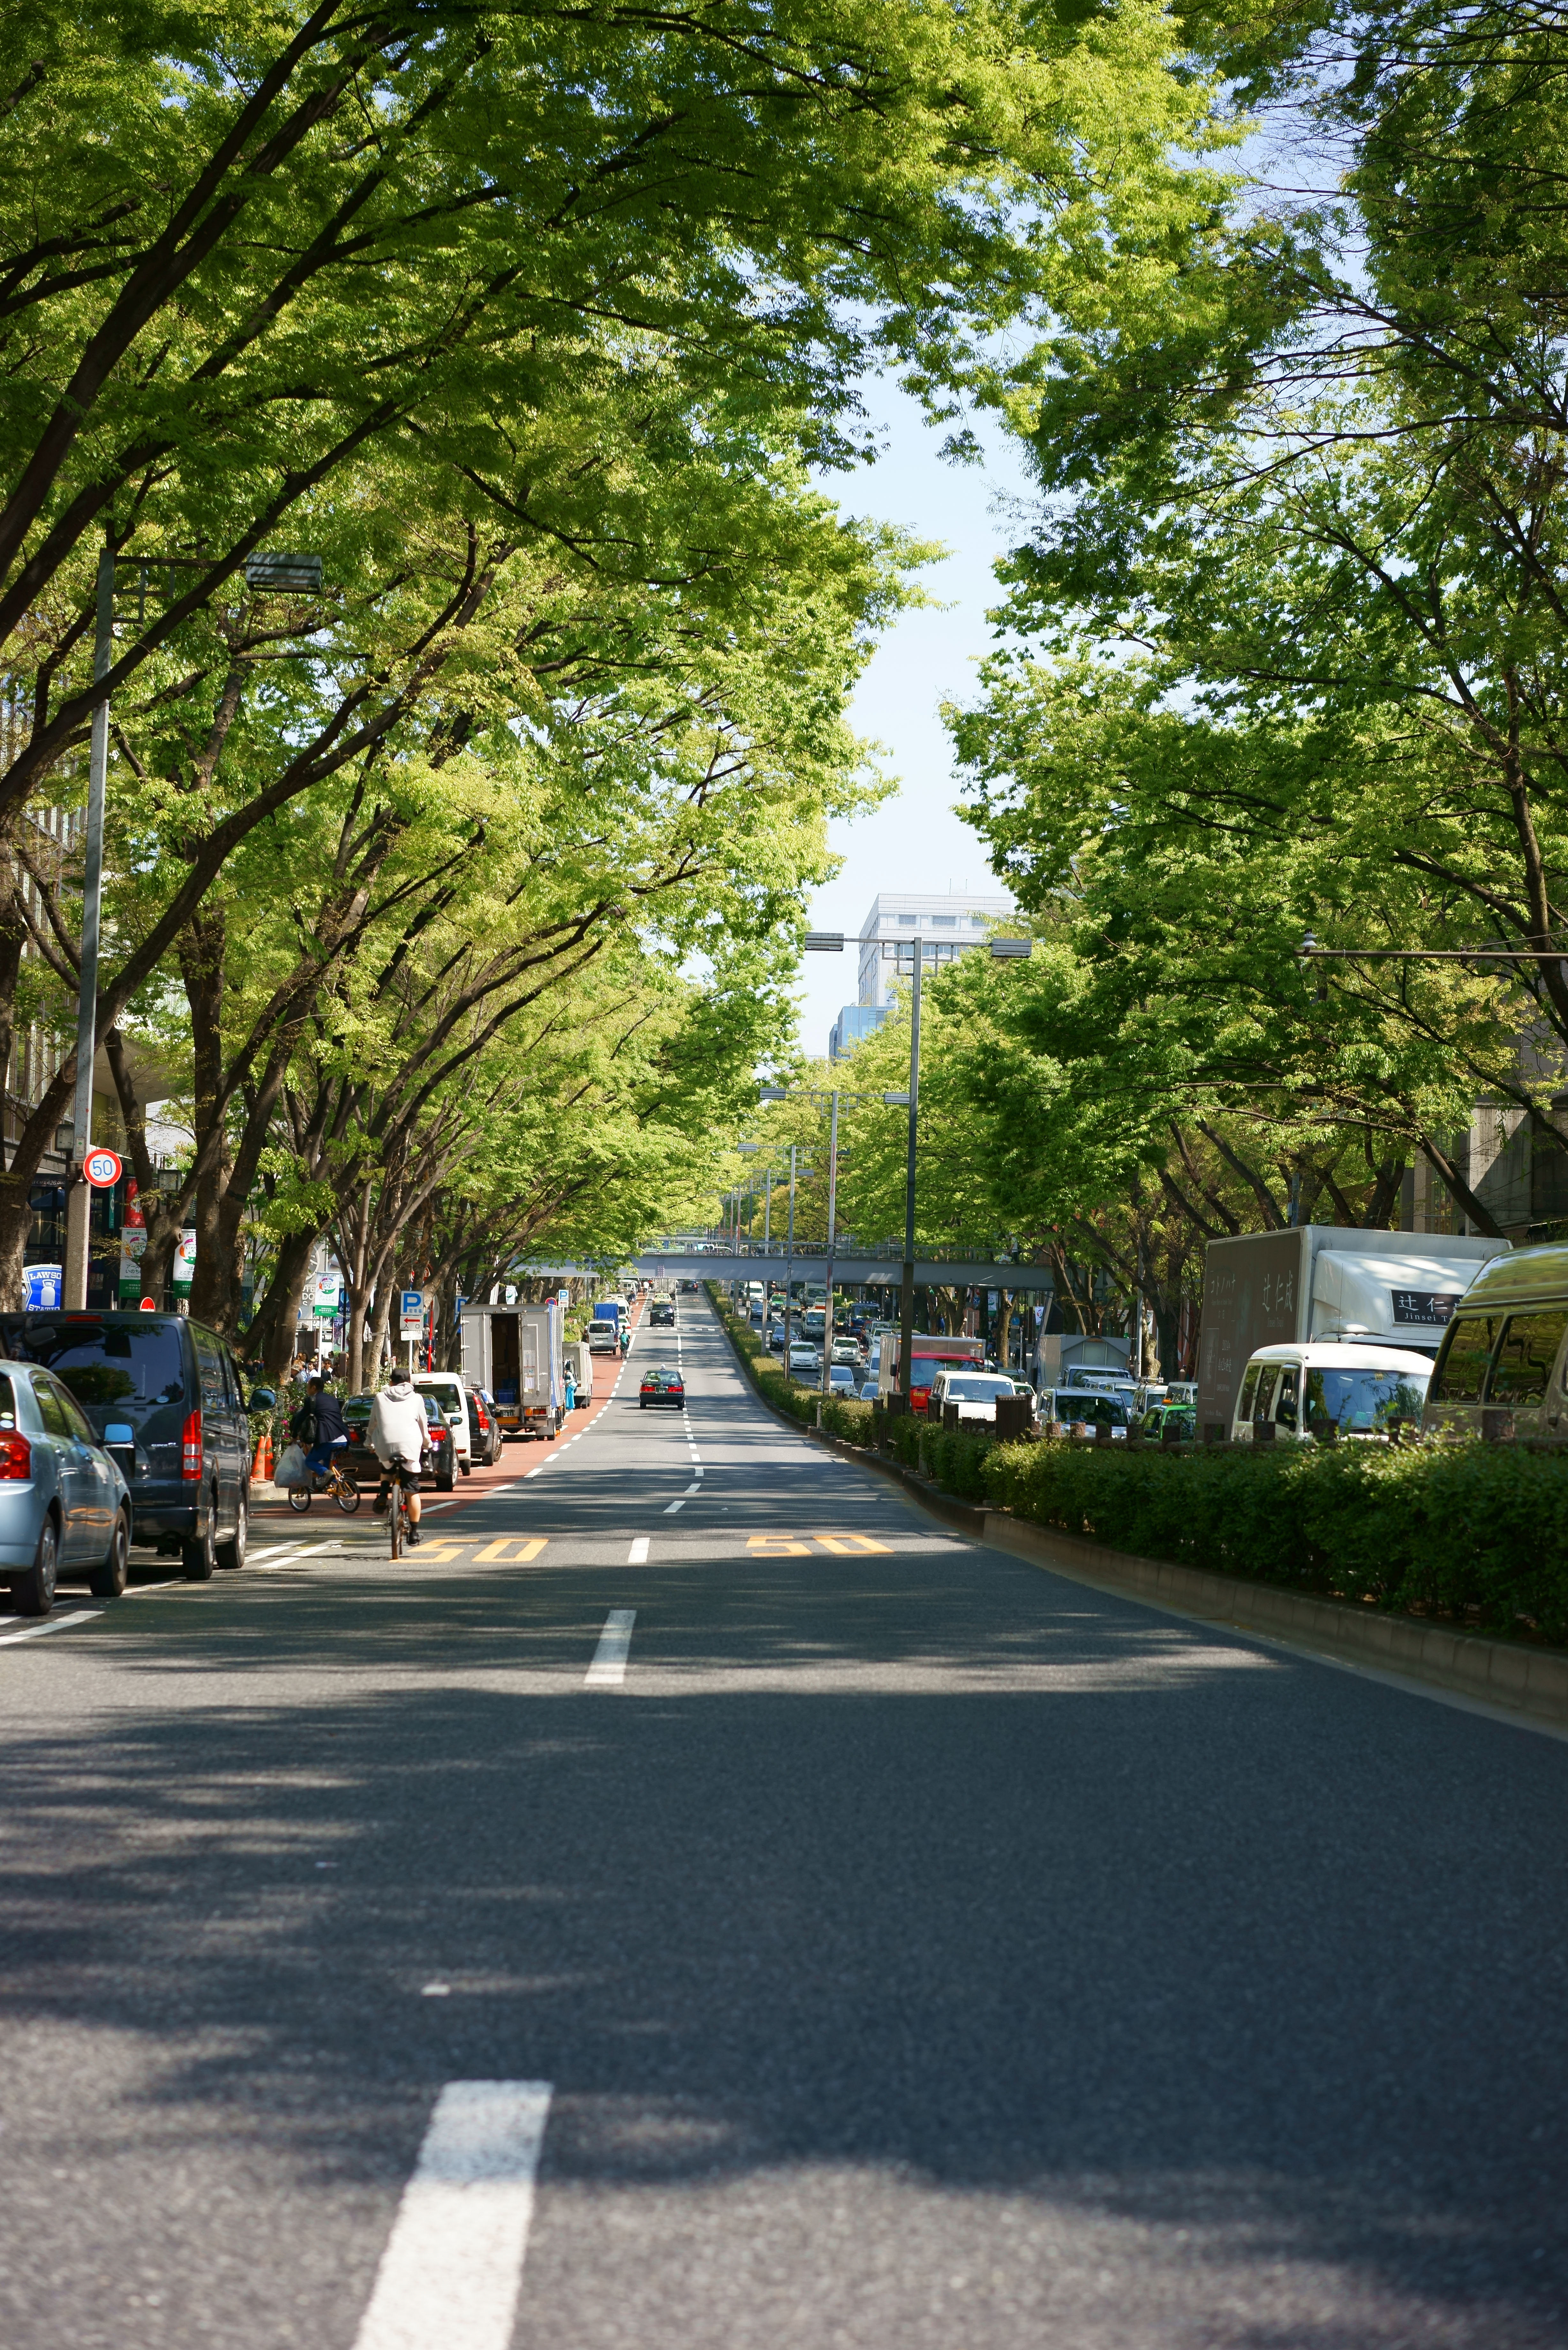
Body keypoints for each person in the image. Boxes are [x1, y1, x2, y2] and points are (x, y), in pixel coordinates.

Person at [367, 1365, 429, 1545]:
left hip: (386, 1447)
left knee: (386, 1462)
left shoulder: (380, 1397)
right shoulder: (417, 1398)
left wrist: (369, 1442)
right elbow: (422, 1425)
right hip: (409, 1448)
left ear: (390, 1382)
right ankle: (415, 1533)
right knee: (412, 1492)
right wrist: (427, 1443)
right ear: (410, 1382)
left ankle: (384, 1491)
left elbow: (373, 1424)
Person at [290, 1374, 347, 1486]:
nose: (307, 1389)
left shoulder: (311, 1400)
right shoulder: (332, 1399)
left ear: (314, 1388)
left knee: (310, 1461)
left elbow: (300, 1418)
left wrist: (294, 1436)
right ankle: (336, 1484)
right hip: (343, 1438)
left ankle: (325, 1473)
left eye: (308, 1386)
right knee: (327, 1458)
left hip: (328, 1439)